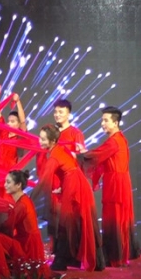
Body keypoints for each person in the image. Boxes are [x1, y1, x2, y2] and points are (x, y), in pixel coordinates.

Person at [30, 124, 105, 272]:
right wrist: (62, 186)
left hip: (74, 187)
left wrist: (29, 199)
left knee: (66, 224)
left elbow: (44, 181)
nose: (40, 141)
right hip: (77, 184)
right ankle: (94, 261)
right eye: (40, 138)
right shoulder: (60, 149)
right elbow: (70, 167)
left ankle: (61, 261)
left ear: (52, 141)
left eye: (43, 139)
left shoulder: (54, 157)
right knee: (79, 222)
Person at [78, 106, 141, 267]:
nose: (102, 124)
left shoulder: (114, 141)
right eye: (102, 120)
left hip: (115, 185)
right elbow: (100, 155)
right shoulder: (119, 139)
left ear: (115, 122)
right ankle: (119, 255)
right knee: (118, 219)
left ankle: (115, 257)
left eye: (106, 120)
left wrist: (79, 156)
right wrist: (85, 153)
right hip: (119, 183)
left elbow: (97, 155)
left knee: (114, 219)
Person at [38, 99, 85, 247]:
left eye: (61, 112)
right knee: (52, 214)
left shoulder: (76, 133)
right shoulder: (51, 132)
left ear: (69, 114)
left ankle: (67, 248)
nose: (57, 115)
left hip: (67, 181)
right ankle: (53, 246)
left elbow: (80, 160)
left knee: (66, 215)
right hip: (53, 178)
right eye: (55, 112)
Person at [0, 88, 27, 225]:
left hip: (9, 175)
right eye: (9, 121)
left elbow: (23, 122)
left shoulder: (20, 137)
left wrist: (18, 102)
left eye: (13, 121)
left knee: (7, 204)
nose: (9, 123)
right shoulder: (3, 133)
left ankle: (7, 230)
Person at [0, 170, 47, 265]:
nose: (5, 185)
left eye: (8, 182)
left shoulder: (21, 205)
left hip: (27, 245)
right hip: (28, 242)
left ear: (18, 185)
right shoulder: (25, 200)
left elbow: (8, 226)